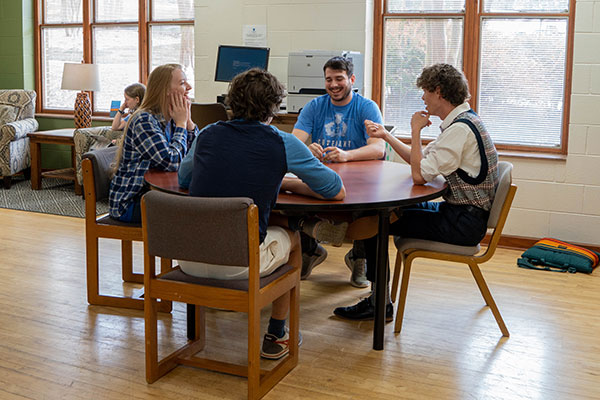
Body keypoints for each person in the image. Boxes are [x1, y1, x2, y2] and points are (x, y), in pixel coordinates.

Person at [177, 68, 345, 360]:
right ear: (273, 107)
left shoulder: (206, 134)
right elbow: (335, 189)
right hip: (239, 264)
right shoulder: (282, 142)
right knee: (291, 238)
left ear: (232, 102)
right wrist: (288, 181)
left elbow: (184, 178)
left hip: (189, 257)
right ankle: (277, 334)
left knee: (265, 219)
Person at [333, 63, 499, 321]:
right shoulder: (465, 121)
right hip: (461, 213)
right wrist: (386, 137)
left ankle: (378, 303)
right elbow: (419, 161)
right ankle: (361, 259)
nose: (423, 97)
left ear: (439, 92)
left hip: (462, 222)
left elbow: (419, 175)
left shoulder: (459, 131)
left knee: (375, 221)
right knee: (383, 213)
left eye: (425, 91)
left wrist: (416, 130)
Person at [291, 56, 385, 288]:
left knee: (367, 207)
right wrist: (306, 148)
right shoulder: (315, 106)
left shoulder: (366, 107)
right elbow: (294, 142)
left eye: (339, 79)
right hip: (323, 176)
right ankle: (310, 252)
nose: (334, 84)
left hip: (359, 179)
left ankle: (358, 258)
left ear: (352, 79)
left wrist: (346, 155)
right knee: (295, 196)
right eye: (329, 79)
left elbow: (378, 147)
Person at [109, 63, 198, 223]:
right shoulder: (144, 120)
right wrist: (181, 125)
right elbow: (172, 162)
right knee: (193, 218)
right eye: (182, 83)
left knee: (202, 211)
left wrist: (189, 123)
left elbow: (194, 157)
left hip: (159, 196)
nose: (189, 87)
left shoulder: (171, 118)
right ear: (165, 91)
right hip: (132, 202)